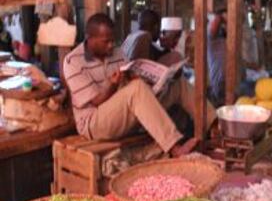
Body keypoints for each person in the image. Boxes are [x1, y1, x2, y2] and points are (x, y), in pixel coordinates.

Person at [64, 13, 204, 154]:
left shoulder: (117, 52)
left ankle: (214, 125)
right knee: (137, 89)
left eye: (113, 40)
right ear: (90, 39)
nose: (111, 45)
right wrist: (112, 84)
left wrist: (147, 80)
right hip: (94, 123)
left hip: (123, 114)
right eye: (106, 42)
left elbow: (130, 80)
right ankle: (174, 148)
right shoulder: (73, 61)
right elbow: (97, 101)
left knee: (177, 84)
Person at [207, 10, 227, 106]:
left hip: (231, 83)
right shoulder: (211, 39)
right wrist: (222, 16)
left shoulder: (227, 39)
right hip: (219, 84)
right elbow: (217, 20)